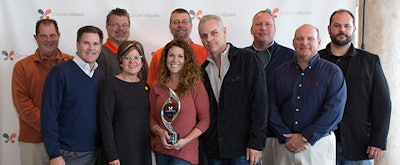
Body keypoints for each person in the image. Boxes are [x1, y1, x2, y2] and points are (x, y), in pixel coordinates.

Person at [319, 9, 391, 165]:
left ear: (354, 29)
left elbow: (382, 104)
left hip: (360, 145)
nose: (342, 30)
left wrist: (378, 140)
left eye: (346, 26)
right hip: (320, 143)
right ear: (329, 29)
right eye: (337, 26)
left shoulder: (370, 61)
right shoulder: (317, 59)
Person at [268, 24, 347, 164]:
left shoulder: (333, 73)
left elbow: (334, 111)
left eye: (310, 38)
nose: (304, 42)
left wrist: (306, 137)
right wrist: (286, 137)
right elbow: (270, 107)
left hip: (318, 145)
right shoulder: (279, 73)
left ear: (319, 42)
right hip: (285, 144)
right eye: (300, 38)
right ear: (293, 43)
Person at [198, 14, 268, 165]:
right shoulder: (201, 70)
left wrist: (256, 143)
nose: (209, 39)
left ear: (224, 31)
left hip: (243, 150)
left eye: (213, 33)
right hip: (213, 151)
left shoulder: (247, 59)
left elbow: (260, 103)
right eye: (204, 36)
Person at [11, 19, 73, 165]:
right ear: (35, 38)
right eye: (43, 36)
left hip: (66, 142)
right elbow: (23, 105)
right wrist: (50, 127)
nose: (48, 40)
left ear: (59, 36)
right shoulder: (22, 67)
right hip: (34, 142)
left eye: (52, 35)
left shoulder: (72, 63)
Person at [41, 25, 105, 165]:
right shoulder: (59, 73)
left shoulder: (102, 76)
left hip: (98, 152)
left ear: (100, 47)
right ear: (77, 44)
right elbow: (48, 116)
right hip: (69, 154)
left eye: (95, 44)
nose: (91, 48)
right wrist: (54, 154)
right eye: (86, 43)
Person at [245, 10, 295, 164]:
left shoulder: (291, 57)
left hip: (281, 135)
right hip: (248, 135)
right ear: (251, 29)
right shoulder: (241, 57)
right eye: (258, 24)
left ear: (275, 29)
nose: (263, 28)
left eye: (268, 24)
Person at [149, 40, 210, 165]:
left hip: (185, 153)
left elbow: (205, 119)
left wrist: (186, 140)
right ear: (165, 59)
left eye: (180, 56)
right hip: (161, 151)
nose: (175, 60)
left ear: (186, 60)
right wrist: (160, 133)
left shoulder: (195, 85)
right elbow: (152, 118)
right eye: (171, 55)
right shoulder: (157, 86)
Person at [98, 40, 152, 165]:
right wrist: (112, 154)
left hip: (141, 151)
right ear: (120, 62)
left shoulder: (145, 87)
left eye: (136, 57)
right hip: (118, 153)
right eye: (127, 57)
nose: (132, 61)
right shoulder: (111, 85)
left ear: (142, 61)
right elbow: (105, 123)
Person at [147, 8, 208, 87]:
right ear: (170, 26)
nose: (180, 25)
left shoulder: (205, 53)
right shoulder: (159, 55)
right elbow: (152, 88)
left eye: (184, 22)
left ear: (191, 25)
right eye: (176, 22)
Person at [97, 8, 148, 81]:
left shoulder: (136, 52)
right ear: (107, 27)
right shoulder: (99, 53)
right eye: (116, 25)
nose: (120, 28)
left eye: (124, 25)